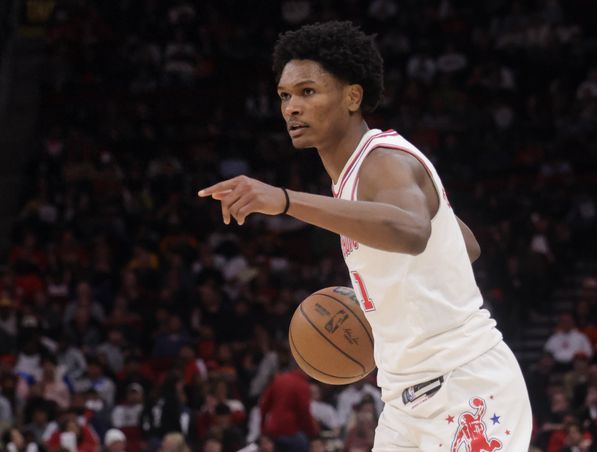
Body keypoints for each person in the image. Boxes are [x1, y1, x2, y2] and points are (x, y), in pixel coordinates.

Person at [199, 20, 532, 450]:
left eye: (307, 91)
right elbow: (464, 245)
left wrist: (284, 200)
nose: (292, 108)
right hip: (403, 403)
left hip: (465, 386)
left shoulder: (382, 160)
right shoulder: (353, 176)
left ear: (352, 97)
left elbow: (413, 231)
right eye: (285, 96)